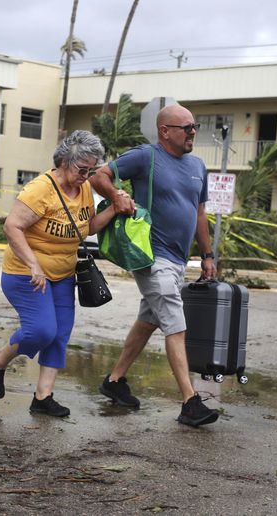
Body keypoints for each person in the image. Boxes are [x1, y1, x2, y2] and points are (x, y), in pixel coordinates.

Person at [89, 104, 220, 427]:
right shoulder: (145, 156)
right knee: (175, 322)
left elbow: (199, 213)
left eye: (194, 127)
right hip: (150, 255)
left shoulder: (197, 166)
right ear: (165, 131)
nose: (192, 132)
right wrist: (118, 195)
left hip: (177, 260)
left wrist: (207, 255)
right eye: (186, 127)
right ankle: (190, 401)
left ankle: (115, 381)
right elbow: (98, 175)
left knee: (149, 319)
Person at [0, 130, 119, 417]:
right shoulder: (39, 190)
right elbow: (12, 227)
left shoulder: (82, 189)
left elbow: (88, 226)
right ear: (65, 162)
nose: (87, 176)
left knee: (60, 335)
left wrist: (115, 209)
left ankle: (43, 397)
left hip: (63, 275)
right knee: (41, 331)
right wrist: (33, 264)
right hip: (25, 274)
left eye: (91, 170)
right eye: (83, 170)